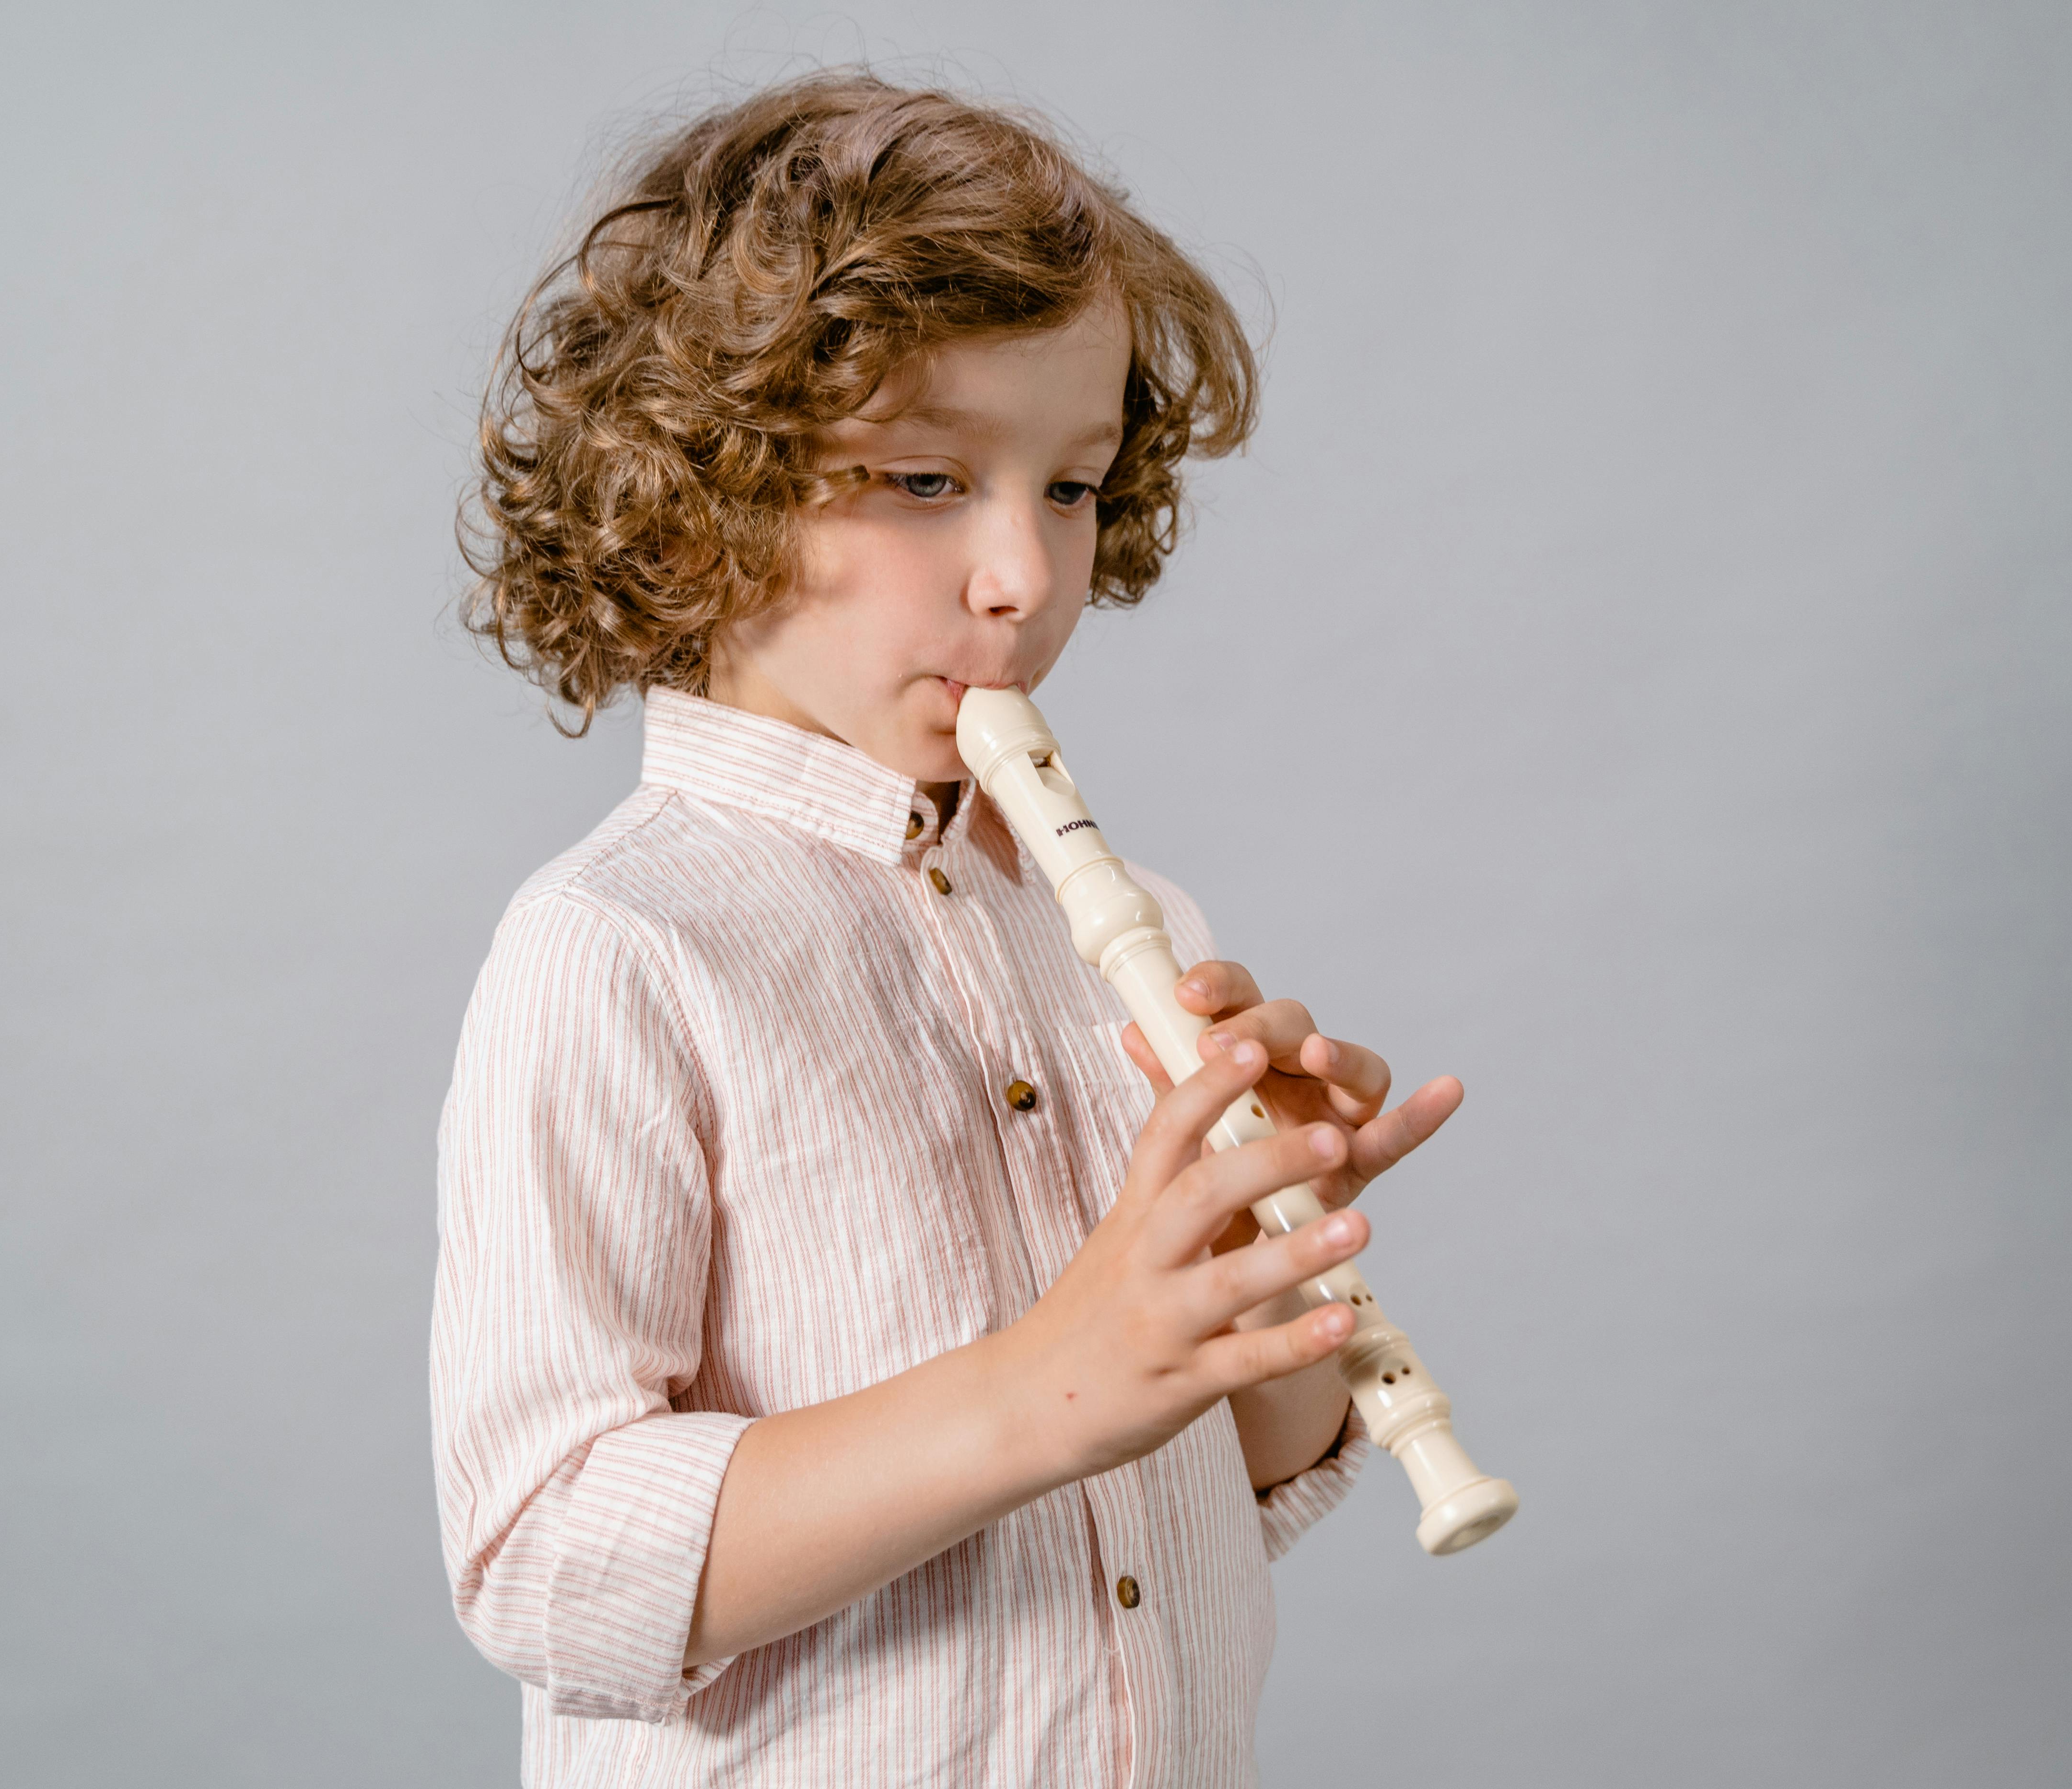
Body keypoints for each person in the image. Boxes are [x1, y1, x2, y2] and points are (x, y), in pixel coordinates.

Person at [435, 71, 1466, 1787]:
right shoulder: (620, 945)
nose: (1022, 575)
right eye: (923, 478)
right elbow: (542, 1554)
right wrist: (1046, 1385)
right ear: (700, 486)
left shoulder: (1124, 926)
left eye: (1070, 486)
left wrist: (1264, 1286)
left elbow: (1194, 1511)